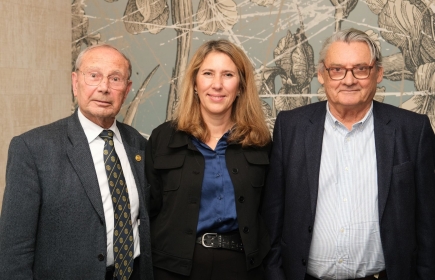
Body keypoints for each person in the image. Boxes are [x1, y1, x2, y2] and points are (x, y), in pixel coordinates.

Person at [262, 28, 435, 280]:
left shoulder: (413, 130)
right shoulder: (291, 127)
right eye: (337, 69)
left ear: (378, 73)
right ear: (322, 74)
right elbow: (272, 218)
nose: (349, 79)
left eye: (361, 69)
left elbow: (428, 224)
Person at [0, 44, 153, 280]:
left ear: (127, 89)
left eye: (115, 79)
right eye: (93, 76)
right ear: (75, 82)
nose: (104, 88)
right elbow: (14, 251)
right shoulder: (33, 149)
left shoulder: (138, 144)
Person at [145, 39, 271, 280]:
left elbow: (270, 214)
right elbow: (149, 210)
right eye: (208, 73)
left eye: (228, 75)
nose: (217, 85)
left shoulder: (260, 142)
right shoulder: (163, 138)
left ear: (241, 86)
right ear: (194, 82)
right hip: (173, 270)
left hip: (243, 268)